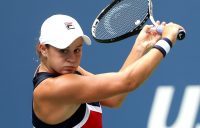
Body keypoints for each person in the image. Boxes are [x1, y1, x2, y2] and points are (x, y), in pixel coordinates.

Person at [32, 14, 185, 128]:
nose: (72, 58)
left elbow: (114, 98)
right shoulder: (53, 88)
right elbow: (128, 81)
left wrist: (140, 46)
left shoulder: (66, 69)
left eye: (77, 50)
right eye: (63, 50)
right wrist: (166, 41)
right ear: (43, 49)